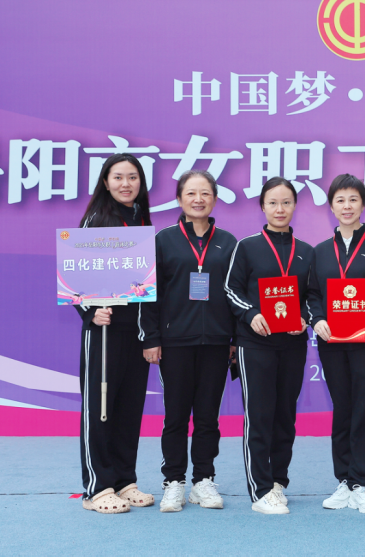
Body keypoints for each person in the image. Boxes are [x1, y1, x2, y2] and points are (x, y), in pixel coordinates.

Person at [140, 170, 237, 513]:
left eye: (205, 193)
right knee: (176, 416)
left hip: (216, 342)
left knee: (208, 417)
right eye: (191, 193)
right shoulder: (163, 240)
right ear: (180, 198)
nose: (198, 199)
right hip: (175, 342)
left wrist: (234, 339)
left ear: (215, 199)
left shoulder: (228, 242)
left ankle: (203, 480)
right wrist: (151, 338)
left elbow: (236, 295)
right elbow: (149, 294)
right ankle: (173, 481)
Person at [307, 174, 365, 514]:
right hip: (332, 343)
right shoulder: (320, 251)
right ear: (331, 206)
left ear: (363, 204)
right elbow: (312, 295)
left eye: (353, 200)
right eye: (340, 200)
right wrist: (317, 319)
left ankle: (361, 483)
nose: (346, 206)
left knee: (363, 410)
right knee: (342, 409)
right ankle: (344, 481)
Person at [225, 177, 313, 515]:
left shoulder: (306, 251)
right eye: (273, 202)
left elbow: (314, 296)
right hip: (255, 343)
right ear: (262, 206)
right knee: (259, 415)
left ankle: (278, 481)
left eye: (286, 202)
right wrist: (251, 314)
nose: (280, 209)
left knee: (285, 416)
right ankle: (260, 490)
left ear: (295, 206)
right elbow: (231, 290)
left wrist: (305, 317)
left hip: (293, 343)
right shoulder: (246, 247)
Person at [76, 153, 154, 513]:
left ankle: (124, 481)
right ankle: (97, 487)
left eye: (133, 177)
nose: (126, 184)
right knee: (100, 408)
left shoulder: (141, 219)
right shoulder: (96, 219)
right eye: (118, 177)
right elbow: (73, 273)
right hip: (104, 332)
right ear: (106, 182)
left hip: (134, 332)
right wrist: (90, 312)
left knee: (128, 408)